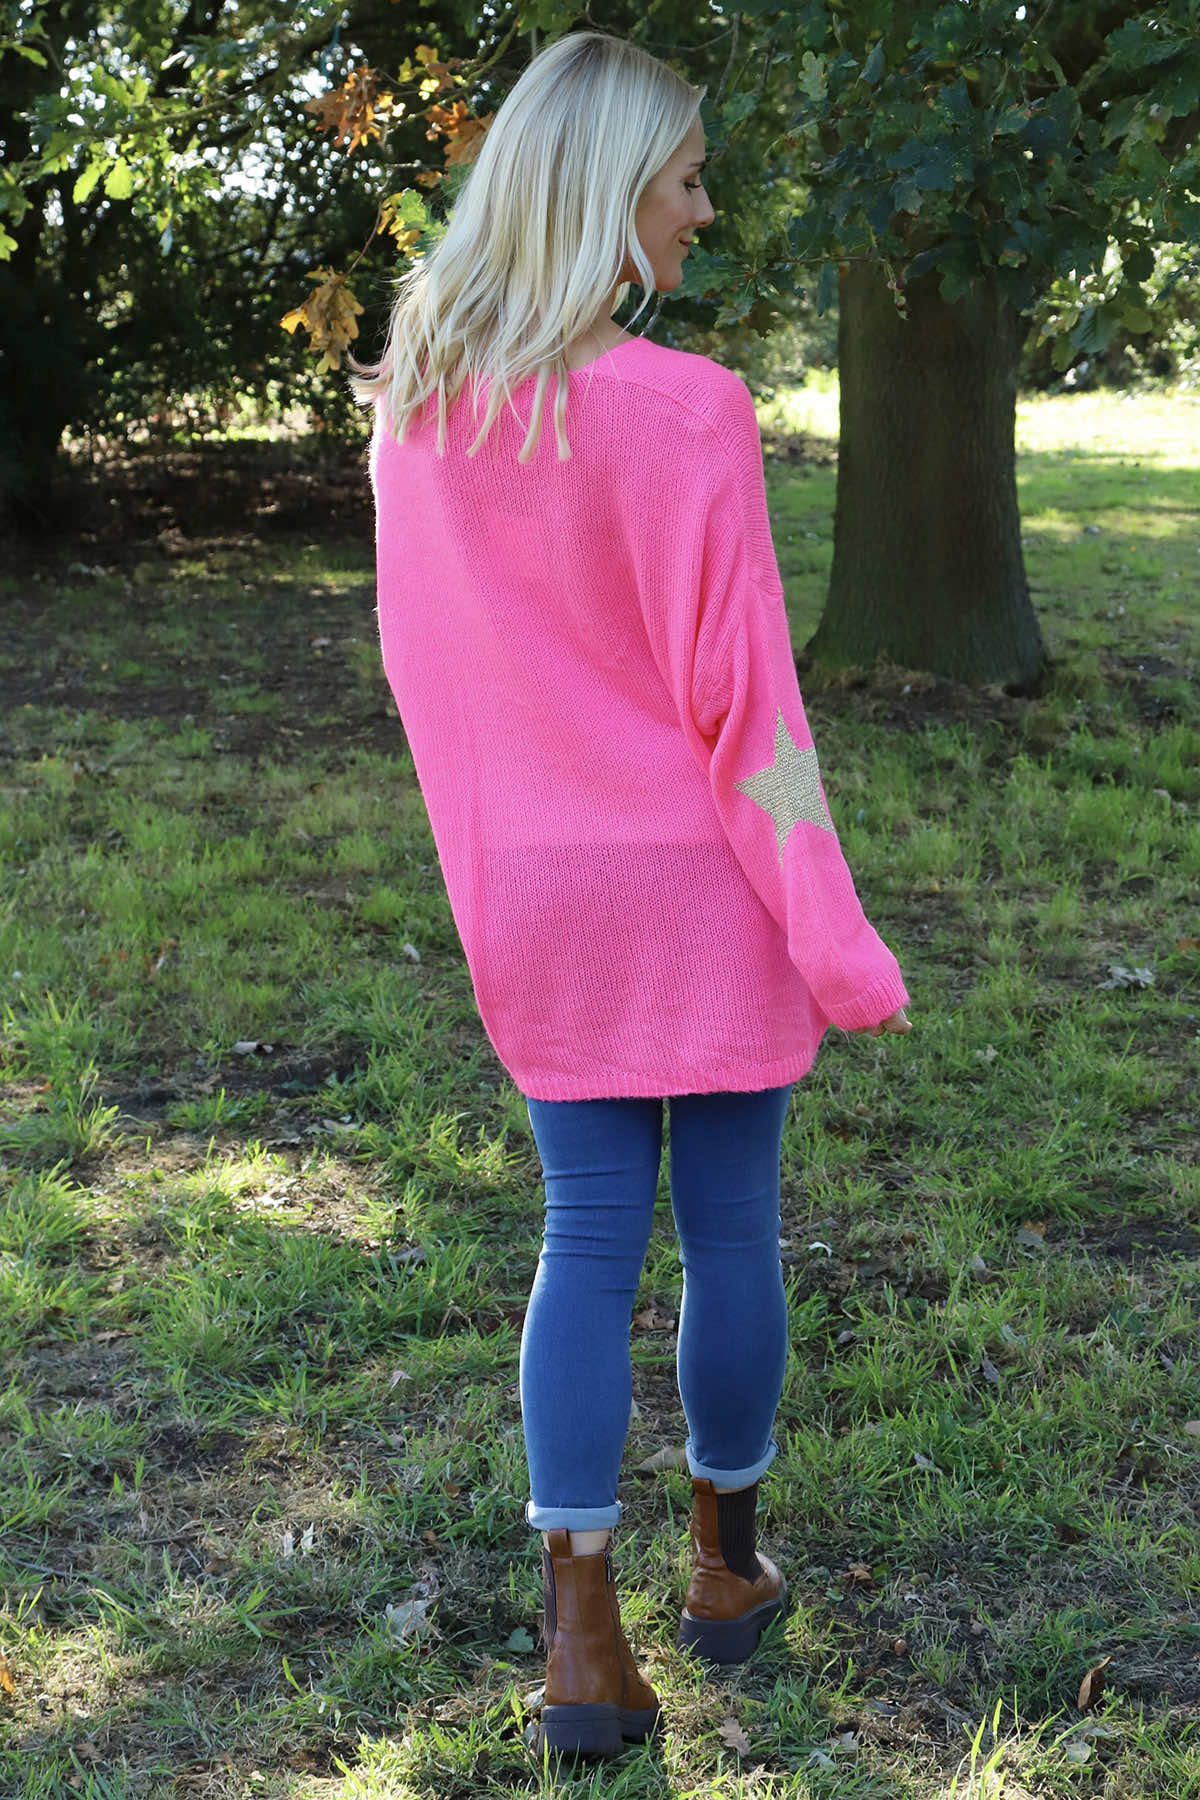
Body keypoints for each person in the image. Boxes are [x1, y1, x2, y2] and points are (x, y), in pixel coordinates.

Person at [353, 26, 911, 1761]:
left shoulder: (422, 409)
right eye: (684, 179)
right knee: (732, 1229)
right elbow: (754, 711)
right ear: (606, 192)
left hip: (541, 892)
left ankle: (580, 1640)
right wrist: (832, 926)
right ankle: (726, 1571)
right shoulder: (689, 408)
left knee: (584, 1237)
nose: (704, 209)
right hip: (705, 886)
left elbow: (428, 682)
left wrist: (496, 864)